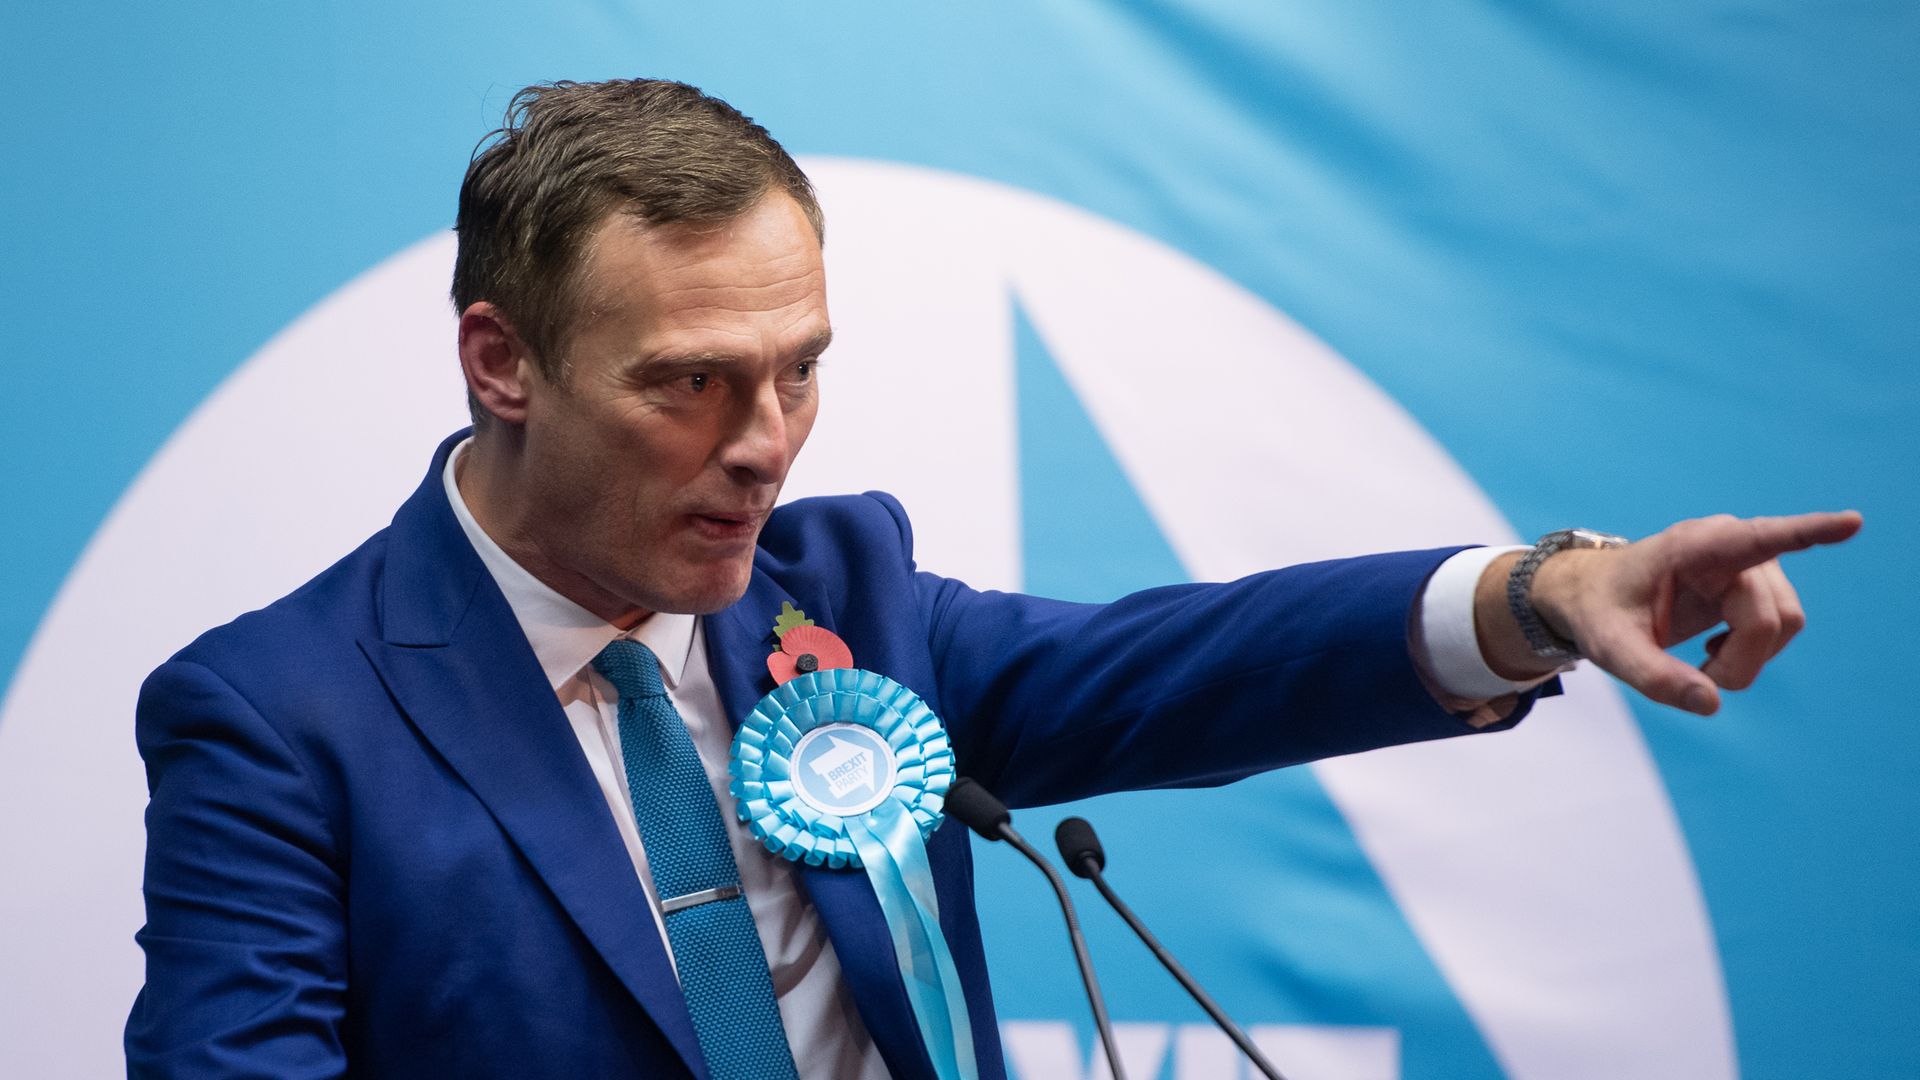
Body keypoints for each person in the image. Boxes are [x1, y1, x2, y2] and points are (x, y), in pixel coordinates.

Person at [124, 78, 1860, 1079]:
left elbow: (1193, 663)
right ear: (501, 361)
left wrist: (1544, 593)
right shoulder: (282, 718)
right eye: (690, 383)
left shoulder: (841, 594)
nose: (765, 441)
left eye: (800, 366)